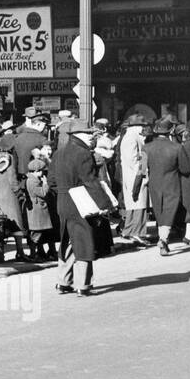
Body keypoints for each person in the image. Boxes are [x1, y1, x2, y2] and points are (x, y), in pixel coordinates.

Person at [51, 119, 116, 297]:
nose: (91, 137)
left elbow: (51, 182)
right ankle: (84, 285)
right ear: (77, 135)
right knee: (84, 242)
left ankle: (63, 281)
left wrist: (65, 192)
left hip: (63, 201)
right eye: (88, 134)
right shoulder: (83, 154)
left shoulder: (59, 153)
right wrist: (105, 204)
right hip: (81, 202)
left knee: (68, 241)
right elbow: (91, 182)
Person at [145, 116, 190, 255]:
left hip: (154, 184)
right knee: (169, 212)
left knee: (159, 212)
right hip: (172, 184)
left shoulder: (146, 147)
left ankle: (163, 238)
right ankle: (163, 239)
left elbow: (142, 168)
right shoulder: (177, 148)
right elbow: (186, 169)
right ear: (170, 131)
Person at [116, 113, 150, 246]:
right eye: (142, 125)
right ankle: (137, 233)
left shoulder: (130, 136)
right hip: (135, 175)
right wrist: (143, 171)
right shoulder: (132, 137)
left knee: (133, 204)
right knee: (139, 204)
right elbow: (133, 159)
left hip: (132, 175)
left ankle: (129, 230)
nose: (143, 128)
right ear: (136, 126)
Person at [0, 149, 29, 261]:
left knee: (0, 225)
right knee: (16, 226)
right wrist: (19, 193)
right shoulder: (10, 158)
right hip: (9, 197)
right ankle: (20, 252)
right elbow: (12, 179)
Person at [24, 156, 55, 260]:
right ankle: (33, 254)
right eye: (42, 171)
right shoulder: (33, 182)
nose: (43, 173)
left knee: (40, 234)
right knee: (36, 235)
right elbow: (43, 193)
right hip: (38, 211)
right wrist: (45, 183)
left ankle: (38, 253)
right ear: (37, 171)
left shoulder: (30, 179)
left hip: (38, 210)